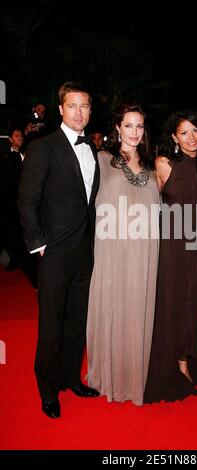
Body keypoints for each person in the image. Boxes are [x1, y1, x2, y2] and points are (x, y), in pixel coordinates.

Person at [18, 81, 100, 418]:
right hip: (53, 252)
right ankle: (48, 389)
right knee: (51, 324)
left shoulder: (93, 149)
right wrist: (38, 244)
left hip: (84, 250)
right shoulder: (43, 147)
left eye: (85, 106)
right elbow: (27, 200)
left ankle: (70, 378)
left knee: (76, 321)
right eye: (73, 106)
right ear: (61, 109)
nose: (79, 112)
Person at [87, 103, 160, 406]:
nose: (134, 132)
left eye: (139, 126)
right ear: (117, 128)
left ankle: (135, 379)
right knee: (113, 307)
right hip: (113, 249)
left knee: (138, 309)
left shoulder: (155, 165)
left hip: (146, 250)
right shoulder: (101, 160)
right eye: (128, 125)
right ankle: (110, 376)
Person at [143, 110, 197, 404]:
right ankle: (169, 365)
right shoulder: (164, 164)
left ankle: (186, 363)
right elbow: (148, 208)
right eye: (184, 132)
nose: (191, 138)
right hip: (170, 250)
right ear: (174, 137)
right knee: (170, 305)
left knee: (192, 304)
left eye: (195, 130)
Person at [0, 127, 37, 287]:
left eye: (21, 135)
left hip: (24, 207)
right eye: (16, 136)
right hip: (9, 209)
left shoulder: (27, 156)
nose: (20, 138)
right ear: (10, 139)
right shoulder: (5, 158)